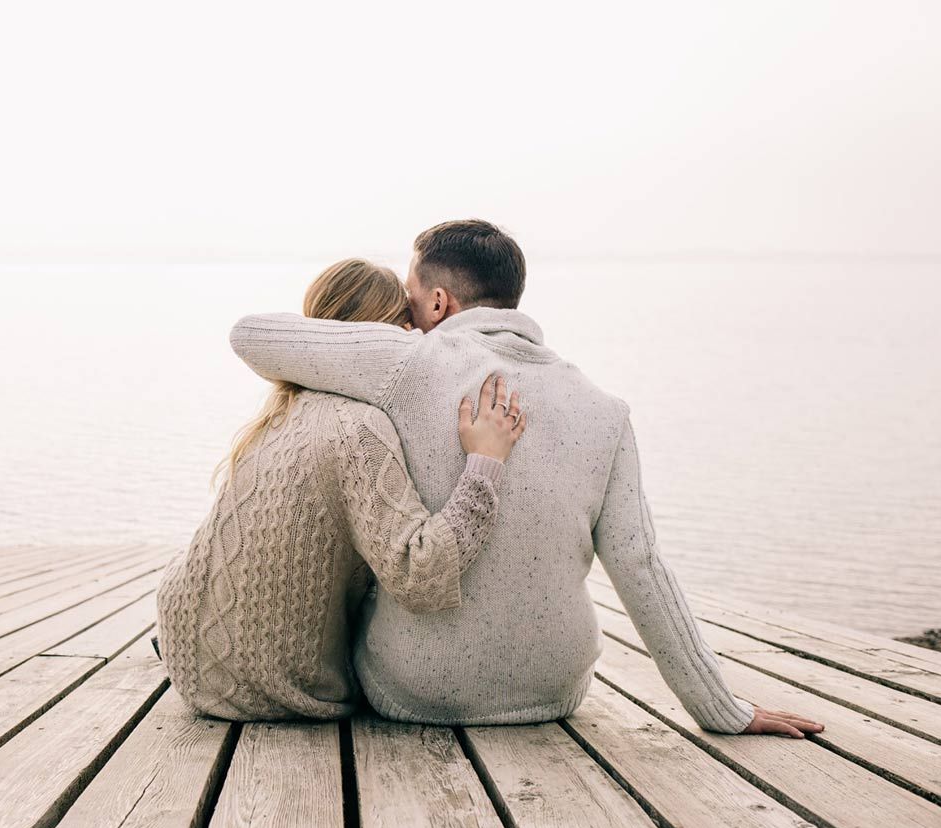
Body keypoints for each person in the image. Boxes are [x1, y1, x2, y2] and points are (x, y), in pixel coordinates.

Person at [228, 220, 825, 738]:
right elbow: (641, 567)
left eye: (410, 306)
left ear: (437, 303)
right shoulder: (605, 410)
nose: (405, 323)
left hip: (413, 694)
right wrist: (724, 709)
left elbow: (250, 335)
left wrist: (380, 341)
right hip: (554, 694)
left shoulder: (407, 364)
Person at [155, 258, 527, 720]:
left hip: (185, 649)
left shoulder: (280, 410)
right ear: (379, 336)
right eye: (405, 327)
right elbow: (419, 576)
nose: (416, 340)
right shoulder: (360, 428)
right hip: (266, 686)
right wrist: (484, 464)